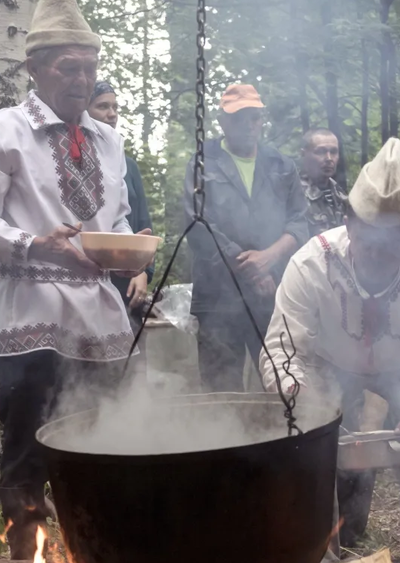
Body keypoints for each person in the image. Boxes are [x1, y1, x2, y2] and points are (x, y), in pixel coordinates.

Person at [0, 0, 136, 560]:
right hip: (32, 310)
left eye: (90, 68)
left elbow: (117, 215)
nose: (83, 80)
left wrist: (129, 250)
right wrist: (31, 243)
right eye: (68, 68)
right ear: (34, 69)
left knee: (104, 442)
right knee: (29, 447)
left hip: (100, 312)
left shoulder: (108, 139)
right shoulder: (0, 132)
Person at [262, 138, 400, 558]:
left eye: (390, 249)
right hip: (329, 363)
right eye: (367, 244)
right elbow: (283, 352)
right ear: (347, 222)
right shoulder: (310, 264)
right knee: (318, 450)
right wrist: (304, 406)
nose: (376, 260)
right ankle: (328, 549)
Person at [183, 84, 309, 392]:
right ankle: (226, 440)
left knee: (282, 381)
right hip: (217, 296)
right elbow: (198, 224)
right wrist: (250, 267)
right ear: (222, 121)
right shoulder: (202, 163)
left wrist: (269, 257)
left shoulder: (281, 165)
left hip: (273, 295)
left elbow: (300, 222)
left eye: (254, 117)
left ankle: (285, 440)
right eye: (239, 117)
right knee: (220, 390)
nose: (249, 124)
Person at [86, 80, 153, 320]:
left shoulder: (129, 166)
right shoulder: (70, 159)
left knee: (127, 355)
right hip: (87, 281)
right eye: (102, 106)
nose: (112, 114)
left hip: (126, 282)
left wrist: (143, 270)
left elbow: (142, 220)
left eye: (115, 107)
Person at [301, 128, 348, 237]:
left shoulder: (341, 196)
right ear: (303, 154)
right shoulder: (293, 195)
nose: (329, 158)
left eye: (333, 152)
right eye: (321, 152)